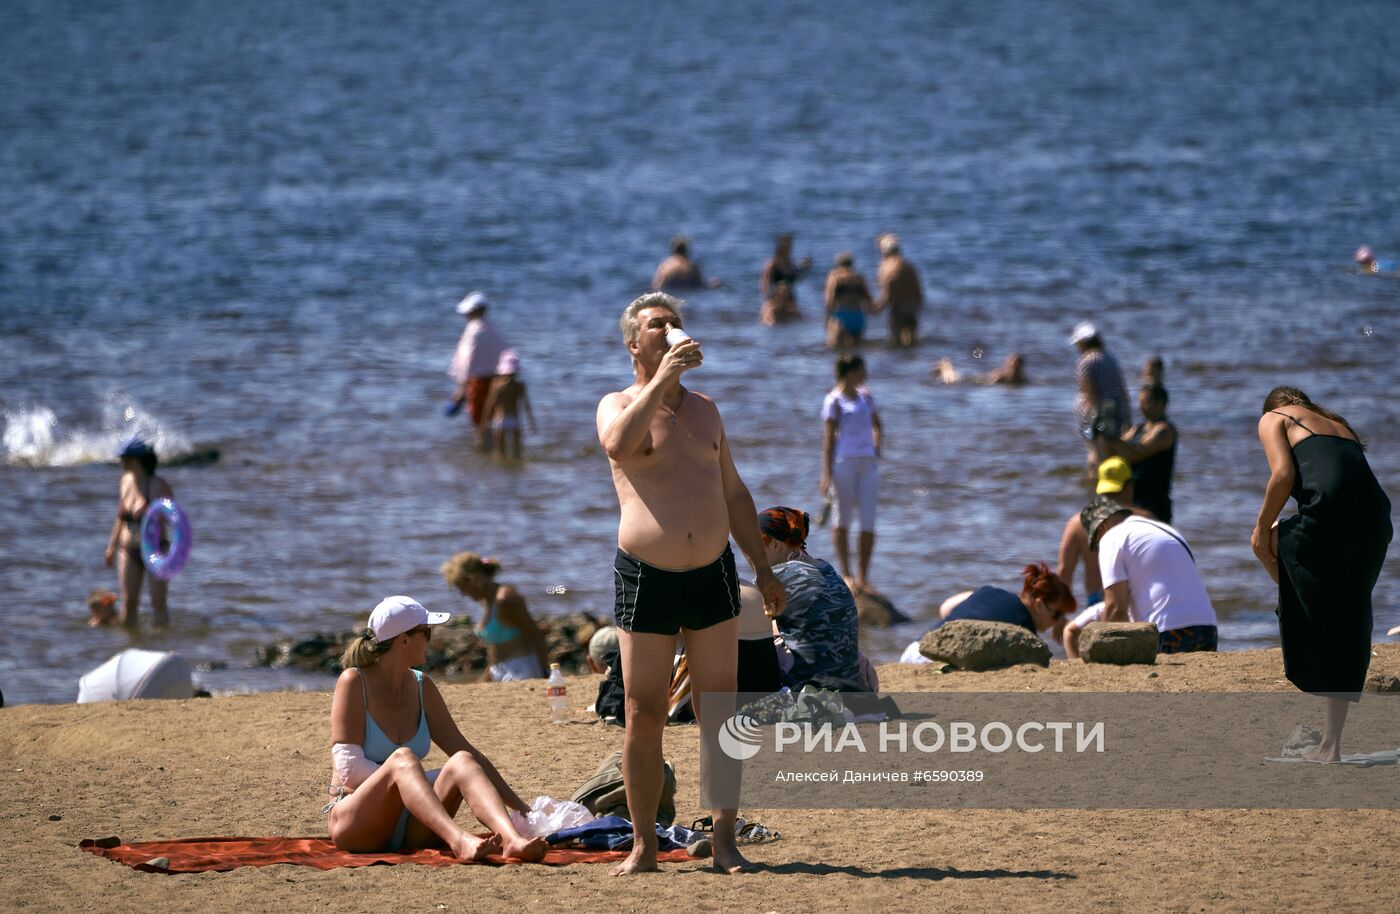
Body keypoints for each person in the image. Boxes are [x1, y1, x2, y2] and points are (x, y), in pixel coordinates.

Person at [596, 291, 785, 875]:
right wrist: (661, 381)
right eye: (657, 325)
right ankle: (645, 847)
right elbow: (618, 445)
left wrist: (762, 566)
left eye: (675, 322)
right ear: (635, 344)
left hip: (712, 574)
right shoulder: (617, 403)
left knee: (720, 712)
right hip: (647, 577)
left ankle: (725, 840)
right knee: (644, 710)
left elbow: (733, 492)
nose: (670, 329)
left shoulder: (706, 410)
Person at [325, 595, 546, 861]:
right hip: (358, 826)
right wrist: (412, 780)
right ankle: (459, 840)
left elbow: (464, 750)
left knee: (463, 760)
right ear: (403, 640)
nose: (432, 638)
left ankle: (512, 840)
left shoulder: (422, 686)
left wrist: (523, 808)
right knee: (403, 758)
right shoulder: (353, 681)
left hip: (411, 825)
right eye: (427, 632)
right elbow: (348, 769)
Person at [1252, 386, 1392, 762]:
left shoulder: (1274, 418)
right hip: (1377, 521)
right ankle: (1331, 744)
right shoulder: (1335, 424)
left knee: (1271, 542)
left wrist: (1259, 528)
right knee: (1347, 620)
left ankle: (1300, 612)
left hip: (1332, 515)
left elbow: (1282, 475)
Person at [1068, 499, 1218, 658]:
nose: (1099, 548)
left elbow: (1116, 608)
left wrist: (1100, 652)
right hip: (1208, 628)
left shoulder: (1110, 537)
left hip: (1167, 629)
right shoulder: (1167, 530)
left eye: (1097, 543)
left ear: (1102, 527)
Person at [757, 506, 865, 691]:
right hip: (853, 685)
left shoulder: (775, 578)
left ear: (775, 544)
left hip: (808, 689)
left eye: (756, 545)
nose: (751, 554)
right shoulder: (827, 568)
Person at [1056, 459, 1152, 614]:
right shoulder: (1145, 520)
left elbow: (1064, 572)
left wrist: (1059, 616)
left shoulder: (1077, 523)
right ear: (1130, 487)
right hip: (1138, 601)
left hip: (1098, 603)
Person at [820, 354, 882, 592]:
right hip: (843, 463)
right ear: (849, 372)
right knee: (842, 519)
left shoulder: (866, 395)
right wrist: (826, 474)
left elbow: (877, 423)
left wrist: (876, 445)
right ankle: (846, 574)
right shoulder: (833, 400)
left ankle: (863, 577)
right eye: (861, 370)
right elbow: (828, 440)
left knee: (868, 521)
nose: (864, 375)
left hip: (867, 463)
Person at [440, 552, 548, 682]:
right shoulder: (486, 602)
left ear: (476, 577)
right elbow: (495, 650)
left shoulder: (505, 598)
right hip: (498, 671)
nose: (462, 593)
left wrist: (545, 672)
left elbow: (534, 634)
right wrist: (484, 679)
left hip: (522, 669)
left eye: (463, 586)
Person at [103, 437, 175, 627]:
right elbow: (120, 516)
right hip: (128, 550)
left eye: (124, 459)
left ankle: (162, 645)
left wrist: (175, 554)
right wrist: (112, 546)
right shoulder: (125, 481)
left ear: (136, 460)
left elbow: (174, 520)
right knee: (129, 604)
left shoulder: (159, 486)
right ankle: (129, 644)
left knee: (158, 603)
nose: (121, 462)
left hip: (155, 550)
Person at [936, 562, 1075, 645]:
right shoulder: (1025, 628)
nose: (1058, 621)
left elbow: (945, 608)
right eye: (1057, 614)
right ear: (1039, 605)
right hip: (935, 655)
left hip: (920, 645)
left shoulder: (990, 590)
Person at [1103, 384, 1177, 523]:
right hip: (1132, 500)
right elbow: (1114, 454)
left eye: (1145, 402)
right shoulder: (1136, 429)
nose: (1141, 406)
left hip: (1154, 505)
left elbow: (1134, 454)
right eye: (1140, 402)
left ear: (1160, 404)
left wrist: (1112, 438)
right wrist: (1103, 429)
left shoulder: (1165, 431)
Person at [447, 292, 509, 451]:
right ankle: (495, 452)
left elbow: (468, 362)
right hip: (496, 380)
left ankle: (485, 452)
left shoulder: (474, 332)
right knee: (491, 419)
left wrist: (460, 391)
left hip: (478, 382)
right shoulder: (492, 328)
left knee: (479, 421)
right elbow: (504, 356)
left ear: (475, 310)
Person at [1070, 321, 1131, 469]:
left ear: (1083, 343)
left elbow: (1090, 393)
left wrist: (1090, 423)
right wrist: (1127, 417)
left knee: (1094, 453)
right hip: (1115, 411)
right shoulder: (1110, 358)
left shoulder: (1085, 362)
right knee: (1111, 453)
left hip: (1096, 415)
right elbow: (1122, 389)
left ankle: (1095, 486)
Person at [482, 349, 535, 461]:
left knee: (499, 453)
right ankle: (515, 475)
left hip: (500, 421)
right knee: (517, 453)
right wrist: (532, 423)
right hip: (514, 420)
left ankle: (502, 476)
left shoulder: (496, 385)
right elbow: (527, 406)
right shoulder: (520, 386)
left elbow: (490, 404)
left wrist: (483, 422)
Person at [874, 234, 923, 348]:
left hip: (897, 308)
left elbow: (887, 293)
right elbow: (918, 290)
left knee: (896, 343)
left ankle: (899, 364)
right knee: (912, 343)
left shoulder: (885, 266)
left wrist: (877, 308)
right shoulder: (909, 266)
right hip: (912, 307)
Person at [823, 252, 873, 348]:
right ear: (852, 263)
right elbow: (869, 301)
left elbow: (829, 300)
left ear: (838, 264)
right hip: (858, 317)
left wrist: (827, 319)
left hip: (842, 317)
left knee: (836, 350)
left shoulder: (834, 276)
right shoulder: (859, 278)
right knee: (857, 351)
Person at [758, 234, 810, 325]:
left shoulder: (791, 264)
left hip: (790, 298)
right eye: (785, 245)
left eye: (789, 245)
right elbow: (764, 284)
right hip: (775, 298)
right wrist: (767, 300)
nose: (788, 248)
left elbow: (796, 279)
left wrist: (803, 269)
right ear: (780, 246)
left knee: (798, 323)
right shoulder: (772, 264)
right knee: (770, 322)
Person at [652, 236, 718, 291]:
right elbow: (701, 286)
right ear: (686, 251)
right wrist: (713, 284)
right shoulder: (692, 266)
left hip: (669, 292)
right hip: (687, 293)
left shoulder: (664, 266)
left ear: (673, 250)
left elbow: (656, 286)